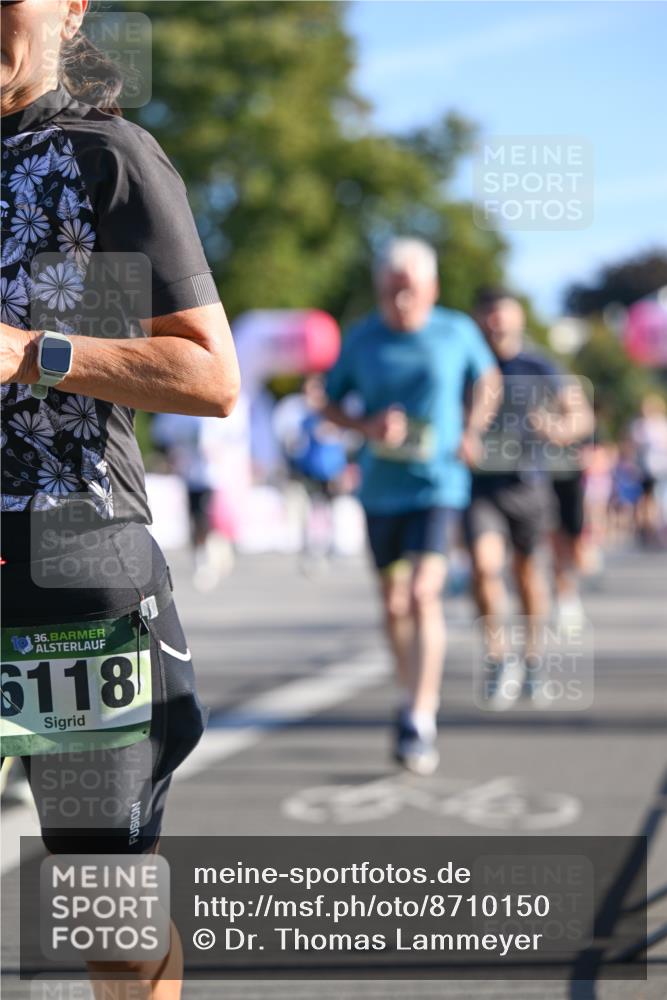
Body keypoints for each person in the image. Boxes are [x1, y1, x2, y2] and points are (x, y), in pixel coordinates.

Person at [1, 2, 240, 998]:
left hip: (72, 565)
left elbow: (209, 375)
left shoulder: (109, 157)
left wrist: (32, 351)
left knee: (112, 922)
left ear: (69, 9)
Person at [324, 238, 500, 774]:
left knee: (423, 592)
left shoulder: (456, 331)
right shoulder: (362, 339)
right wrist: (366, 425)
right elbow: (329, 403)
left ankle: (420, 716)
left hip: (438, 483)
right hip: (381, 488)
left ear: (432, 290)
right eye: (391, 292)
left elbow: (487, 381)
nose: (400, 304)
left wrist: (471, 429)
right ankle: (409, 689)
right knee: (394, 602)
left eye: (410, 293)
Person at [465, 288, 594, 709]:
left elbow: (580, 416)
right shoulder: (468, 364)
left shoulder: (540, 366)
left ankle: (533, 661)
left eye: (502, 315)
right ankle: (498, 658)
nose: (496, 323)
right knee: (484, 568)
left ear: (518, 318)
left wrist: (557, 429)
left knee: (526, 575)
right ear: (478, 319)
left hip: (528, 483)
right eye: (488, 315)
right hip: (480, 486)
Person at [630, 394, 667, 546]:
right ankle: (647, 530)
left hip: (659, 467)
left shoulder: (659, 424)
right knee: (645, 500)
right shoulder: (640, 425)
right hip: (645, 468)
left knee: (656, 499)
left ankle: (654, 529)